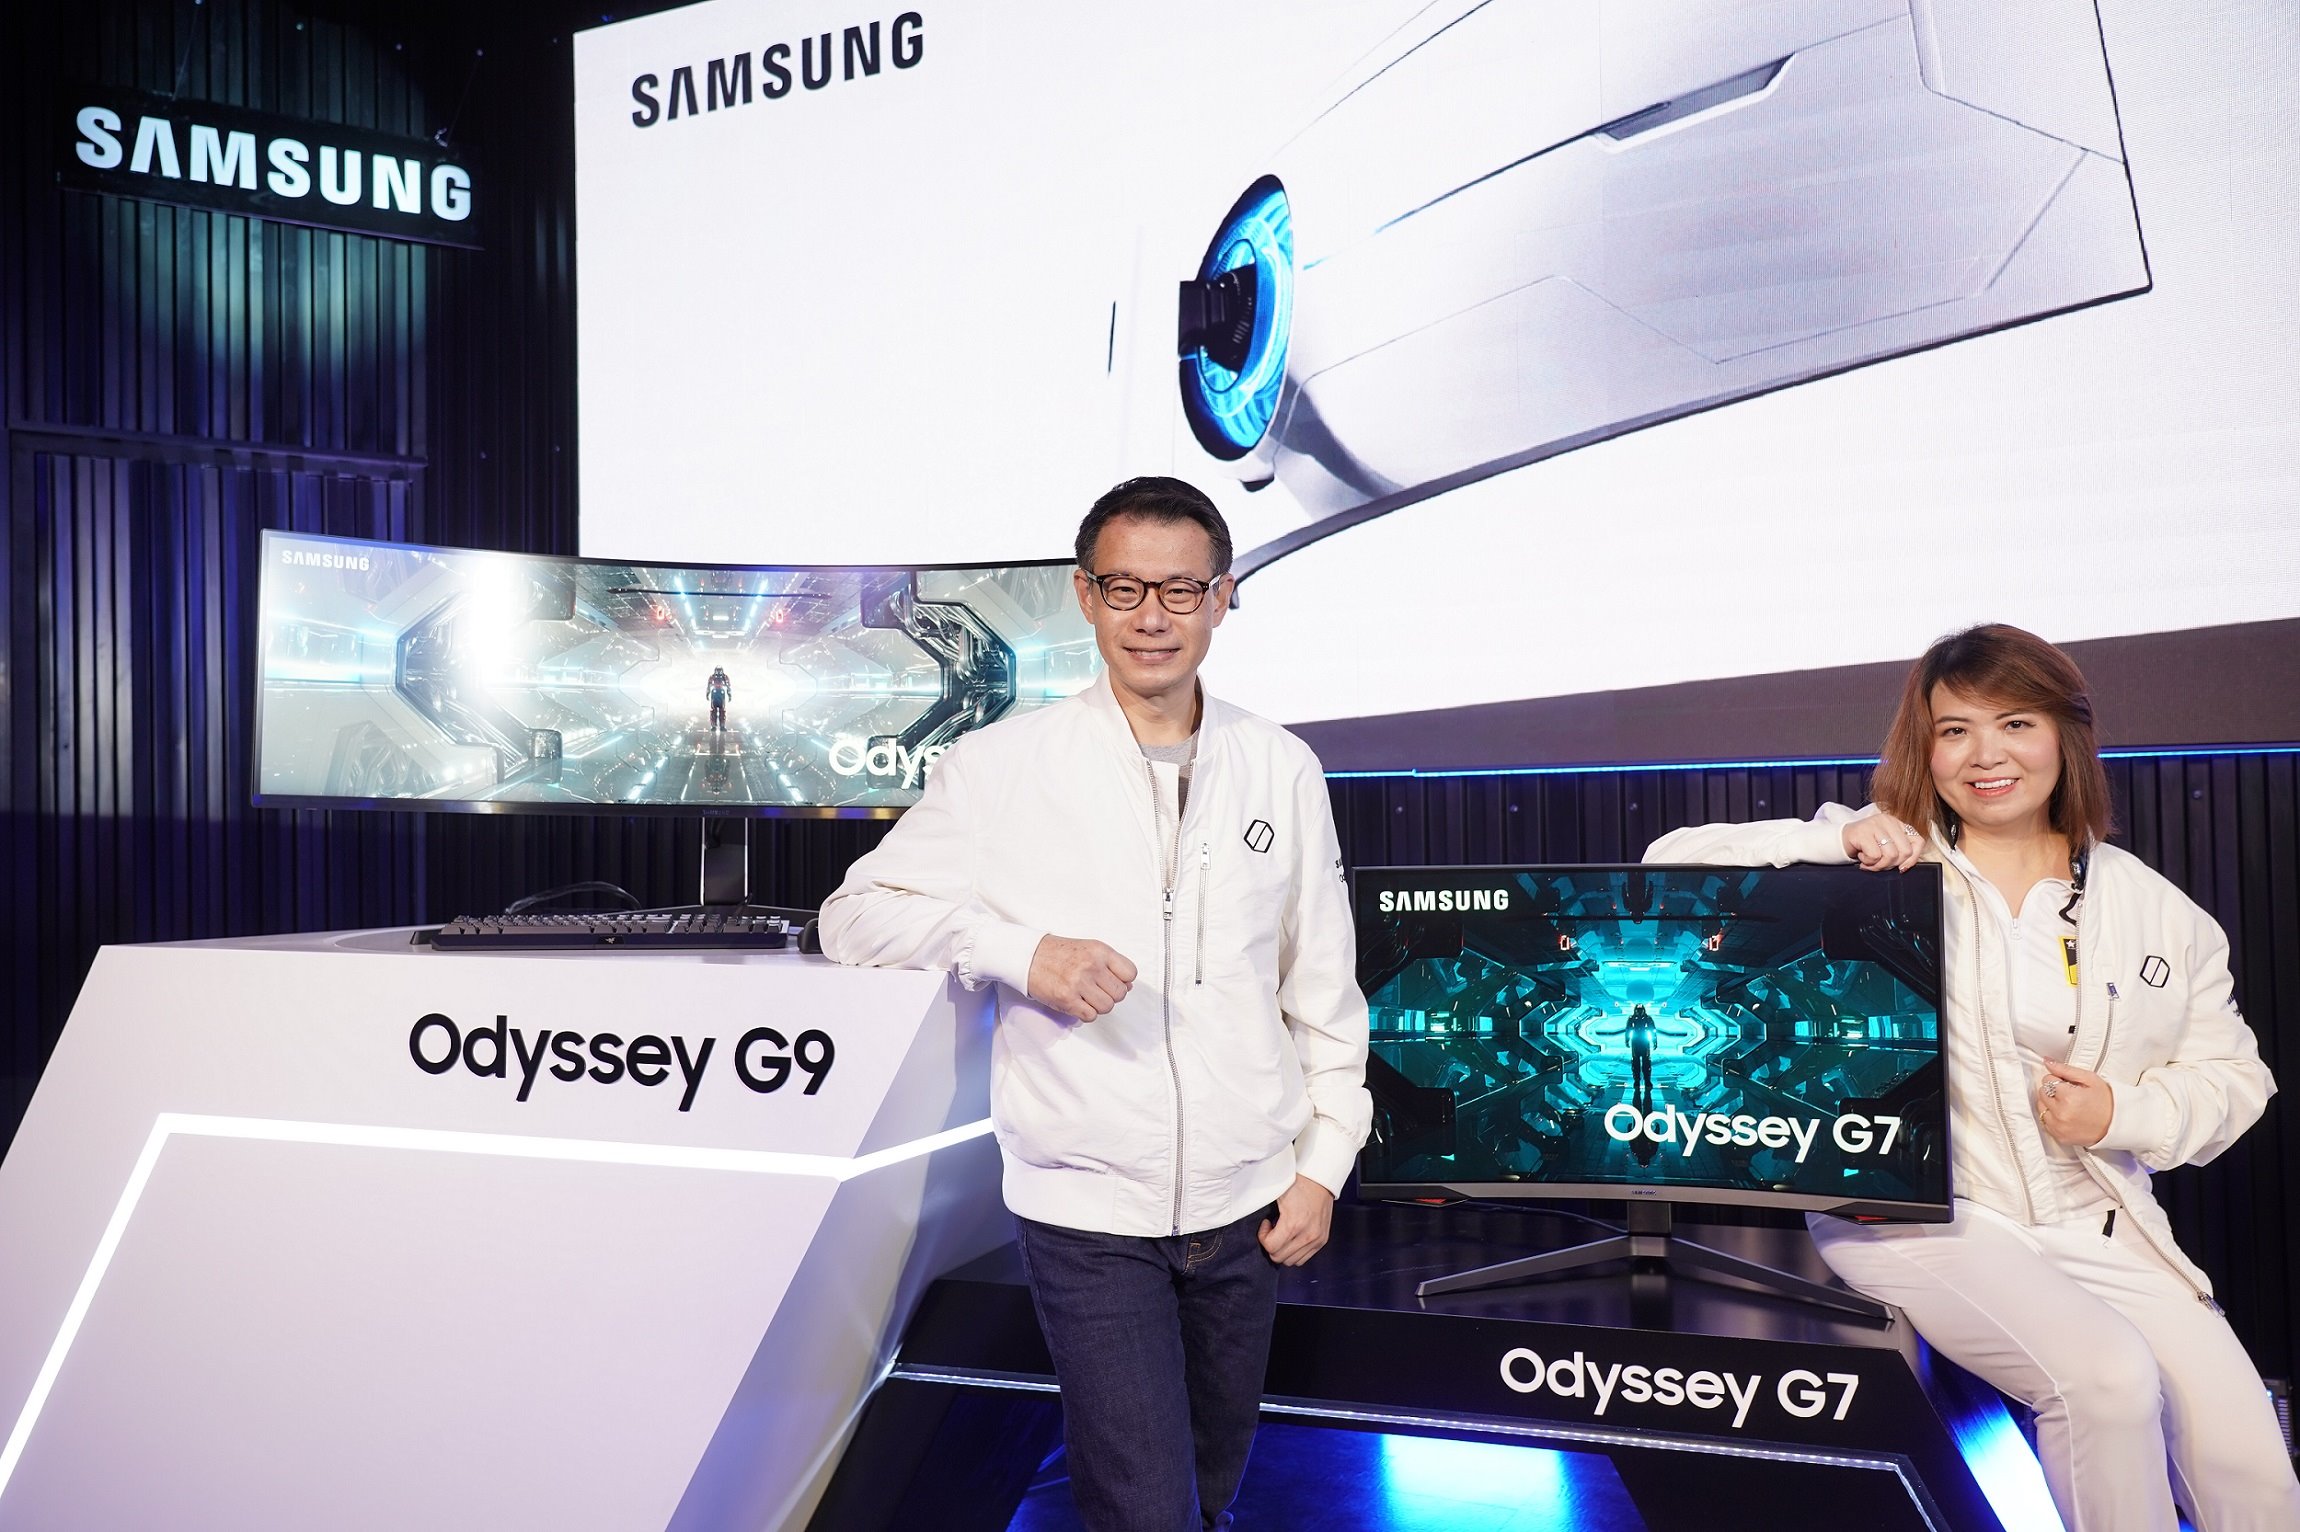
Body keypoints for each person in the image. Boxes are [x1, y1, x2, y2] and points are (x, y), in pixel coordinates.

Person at [1646, 624, 2298, 1532]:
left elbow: (2234, 1078)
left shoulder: (2153, 907)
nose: (1986, 755)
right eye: (1955, 731)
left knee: (2254, 1474)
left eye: (2016, 723)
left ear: (2065, 737)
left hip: (2100, 1217)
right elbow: (1668, 862)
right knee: (2108, 1383)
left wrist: (2126, 1110)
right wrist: (1830, 841)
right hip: (1923, 1215)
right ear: (1927, 749)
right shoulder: (1887, 863)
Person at [819, 476, 1371, 1532]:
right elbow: (854, 916)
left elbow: (1321, 988)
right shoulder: (1000, 766)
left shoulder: (1281, 766)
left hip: (1250, 1207)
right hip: (1086, 1215)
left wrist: (1322, 1164)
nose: (1151, 616)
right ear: (1085, 595)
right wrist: (1019, 952)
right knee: (1144, 1510)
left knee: (1209, 1492)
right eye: (1124, 588)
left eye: (1179, 589)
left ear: (1222, 598)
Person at [706, 666, 730, 731]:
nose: (719, 672)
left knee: (722, 710)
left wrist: (729, 694)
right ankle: (713, 726)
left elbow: (728, 685)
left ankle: (722, 725)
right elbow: (709, 685)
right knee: (713, 710)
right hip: (714, 693)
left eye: (720, 670)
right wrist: (707, 693)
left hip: (721, 693)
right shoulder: (712, 677)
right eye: (717, 670)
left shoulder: (724, 677)